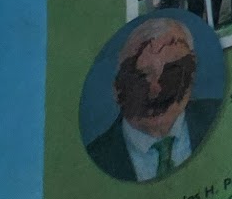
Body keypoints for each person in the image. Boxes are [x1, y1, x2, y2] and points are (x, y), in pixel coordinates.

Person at [85, 17, 222, 183]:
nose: (156, 90)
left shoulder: (221, 114)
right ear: (117, 89)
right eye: (142, 77)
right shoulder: (95, 159)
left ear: (191, 76)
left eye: (172, 72)